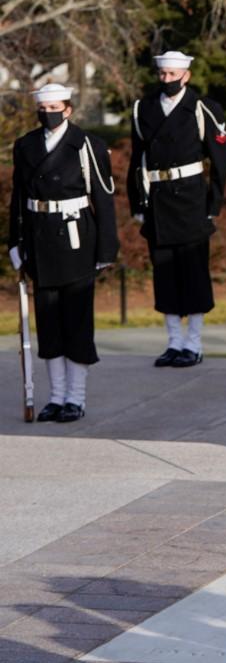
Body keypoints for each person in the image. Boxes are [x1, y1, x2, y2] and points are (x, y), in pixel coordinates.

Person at [6, 83, 119, 423]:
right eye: (43, 109)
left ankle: (76, 398)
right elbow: (17, 200)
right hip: (40, 241)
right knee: (49, 324)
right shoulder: (25, 146)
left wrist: (106, 248)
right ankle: (55, 396)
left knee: (76, 322)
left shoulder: (87, 145)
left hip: (76, 240)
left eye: (55, 109)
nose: (48, 115)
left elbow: (103, 199)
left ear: (68, 110)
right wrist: (15, 244)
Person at [126, 49, 226, 367]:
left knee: (194, 273)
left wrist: (213, 203)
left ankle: (194, 343)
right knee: (165, 273)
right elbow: (137, 158)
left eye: (173, 75)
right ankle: (173, 342)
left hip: (191, 200)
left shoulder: (202, 108)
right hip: (158, 200)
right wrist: (137, 201)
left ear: (186, 75)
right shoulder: (143, 108)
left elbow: (221, 160)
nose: (166, 80)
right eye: (163, 75)